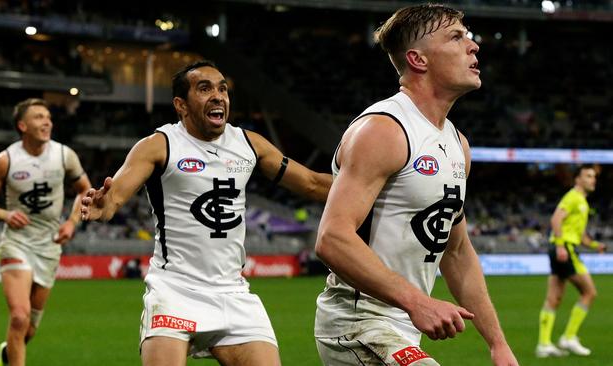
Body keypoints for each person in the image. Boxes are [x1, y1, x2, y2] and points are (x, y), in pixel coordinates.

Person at [80, 60, 331, 366]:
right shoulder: (159, 145)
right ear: (181, 105)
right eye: (205, 88)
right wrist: (103, 206)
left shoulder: (249, 144)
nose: (218, 95)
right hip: (175, 291)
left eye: (222, 88)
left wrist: (373, 184)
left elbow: (312, 184)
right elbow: (115, 197)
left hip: (233, 292)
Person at [313, 4, 518, 366]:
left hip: (400, 328)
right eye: (456, 37)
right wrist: (418, 302)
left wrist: (498, 345)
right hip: (357, 324)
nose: (473, 46)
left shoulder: (457, 144)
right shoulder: (383, 129)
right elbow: (332, 238)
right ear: (417, 59)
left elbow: (456, 252)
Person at [0, 98, 91, 366]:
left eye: (48, 116)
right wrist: (5, 214)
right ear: (22, 125)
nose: (47, 121)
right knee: (19, 317)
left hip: (49, 247)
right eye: (38, 117)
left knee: (29, 328)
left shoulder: (64, 155)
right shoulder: (6, 160)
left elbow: (86, 191)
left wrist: (72, 222)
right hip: (16, 244)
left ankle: (7, 354)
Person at [536, 165, 606, 358]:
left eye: (594, 177)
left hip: (563, 247)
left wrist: (595, 245)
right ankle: (569, 337)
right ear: (578, 179)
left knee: (554, 298)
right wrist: (560, 245)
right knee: (589, 292)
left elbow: (581, 236)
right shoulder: (573, 197)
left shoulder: (582, 201)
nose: (593, 180)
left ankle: (543, 344)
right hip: (564, 248)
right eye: (588, 176)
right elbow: (556, 219)